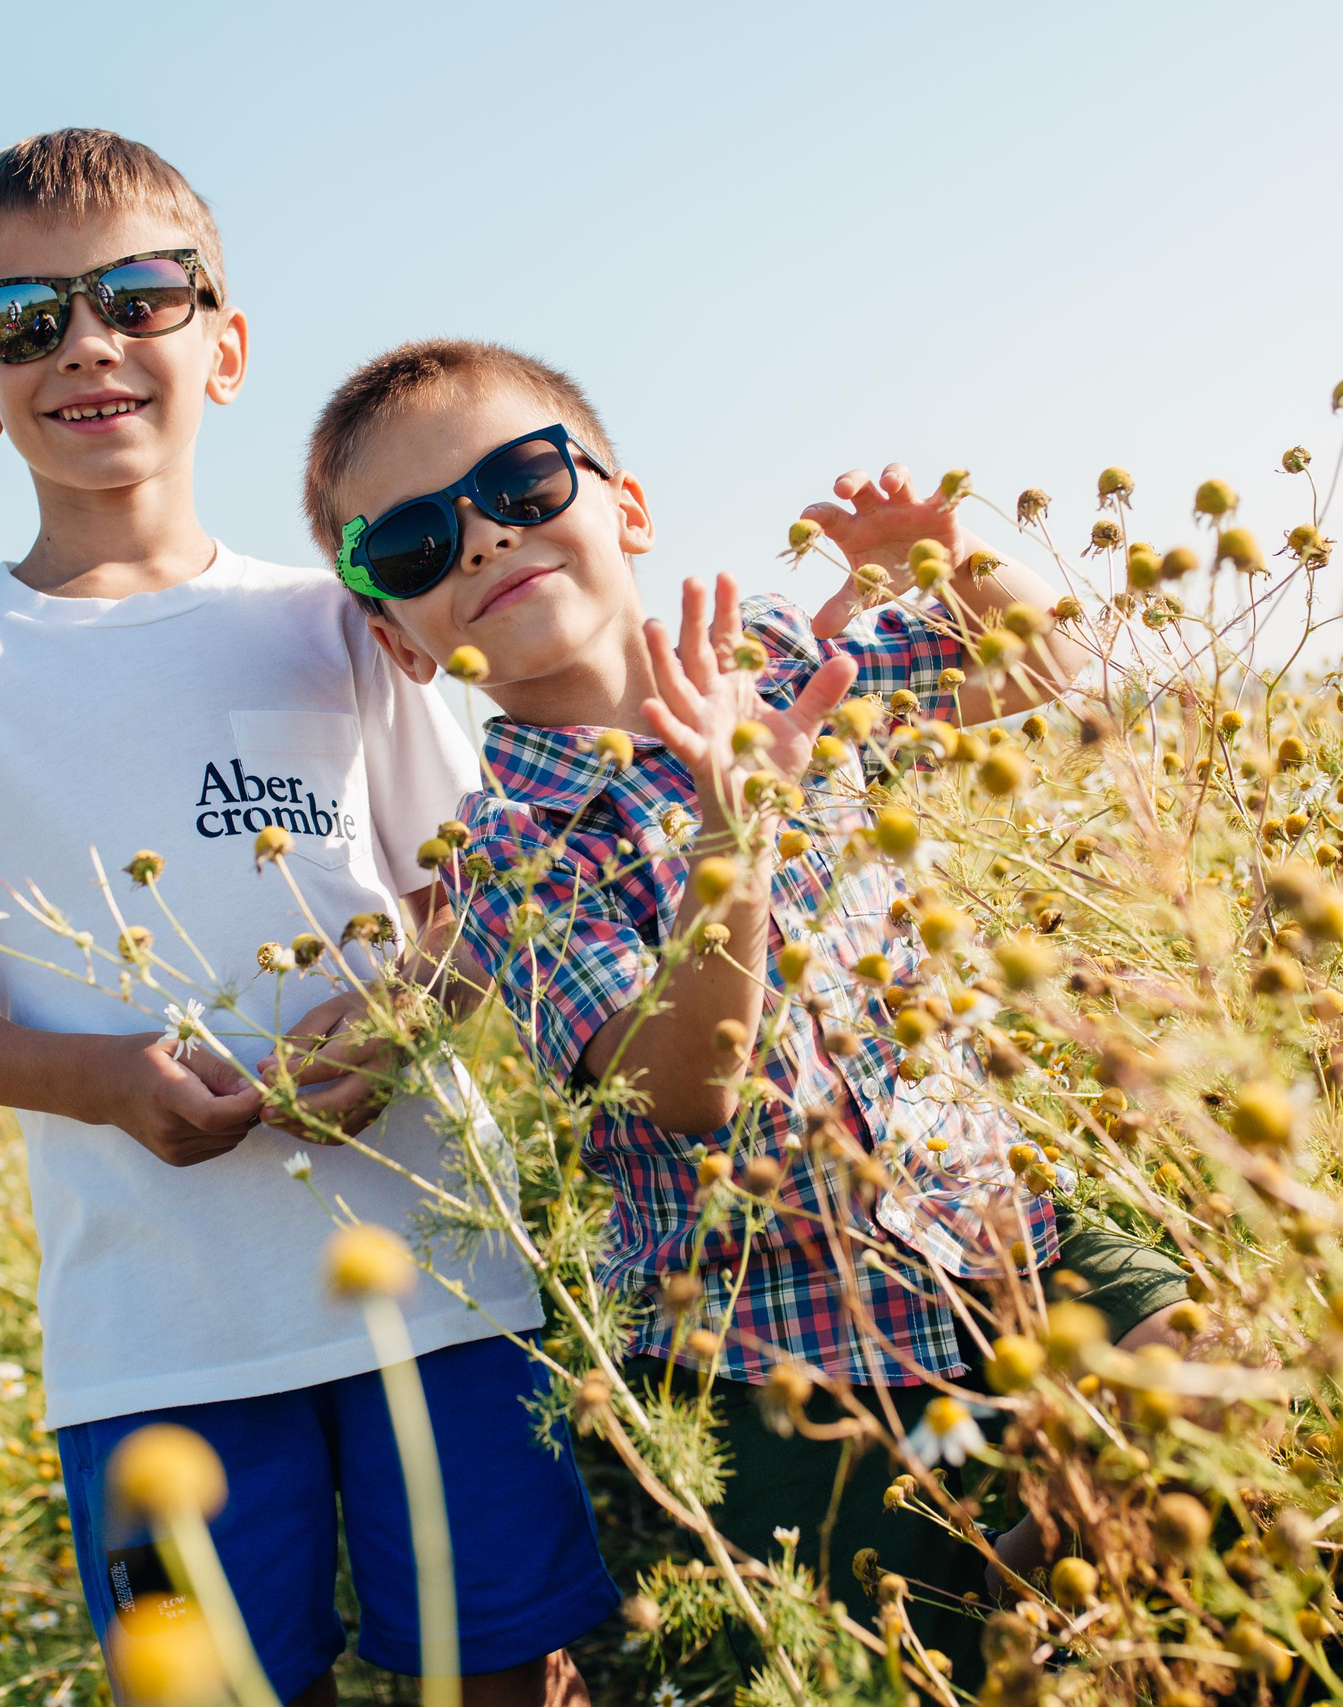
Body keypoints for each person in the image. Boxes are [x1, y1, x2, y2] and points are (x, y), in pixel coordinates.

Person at [0, 137, 613, 1707]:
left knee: (506, 1669)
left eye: (139, 296)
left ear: (223, 346)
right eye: (23, 317)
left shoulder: (348, 616)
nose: (86, 345)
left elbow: (476, 895)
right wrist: (108, 1080)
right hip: (157, 1339)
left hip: (436, 1282)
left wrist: (391, 1024)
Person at [303, 339, 1196, 1676]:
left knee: (1200, 1390)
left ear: (629, 509)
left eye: (524, 481)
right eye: (416, 545)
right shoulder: (499, 854)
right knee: (880, 1657)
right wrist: (735, 842)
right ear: (401, 640)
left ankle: (1080, 1611)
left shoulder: (779, 659)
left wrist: (949, 550)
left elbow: (1041, 668)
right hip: (781, 1364)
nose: (484, 537)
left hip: (999, 1236)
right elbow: (682, 1088)